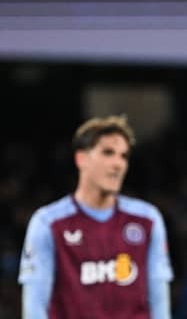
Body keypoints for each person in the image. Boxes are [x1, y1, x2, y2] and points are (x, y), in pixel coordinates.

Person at [18, 115, 173, 319]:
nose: (118, 163)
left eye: (124, 156)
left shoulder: (148, 220)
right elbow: (35, 308)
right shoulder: (48, 223)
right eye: (108, 153)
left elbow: (159, 303)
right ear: (81, 159)